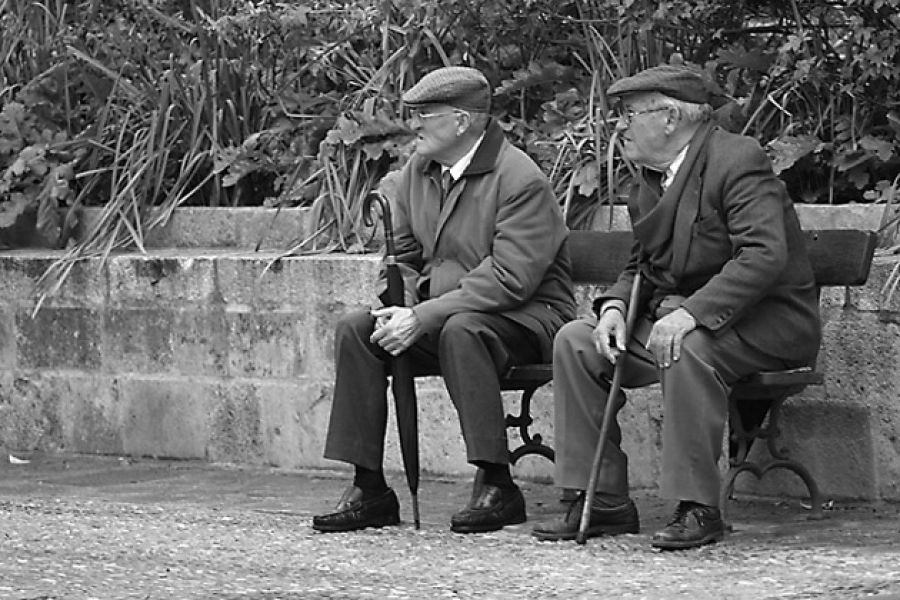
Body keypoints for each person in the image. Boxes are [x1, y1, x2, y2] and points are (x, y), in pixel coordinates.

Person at [531, 65, 821, 549]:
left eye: (628, 114)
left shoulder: (736, 159)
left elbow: (763, 254)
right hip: (682, 319)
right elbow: (641, 263)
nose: (619, 126)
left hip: (765, 322)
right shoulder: (647, 180)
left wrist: (690, 313)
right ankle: (601, 500)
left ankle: (699, 507)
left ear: (668, 117)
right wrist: (615, 309)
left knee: (682, 346)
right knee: (577, 342)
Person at [312, 66, 576, 534]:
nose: (413, 125)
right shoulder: (419, 171)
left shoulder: (520, 179)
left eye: (424, 115)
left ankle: (498, 483)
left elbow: (511, 278)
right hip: (444, 314)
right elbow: (404, 253)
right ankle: (369, 487)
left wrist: (423, 314)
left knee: (463, 329)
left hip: (529, 318)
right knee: (358, 328)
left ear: (460, 121)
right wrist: (400, 304)